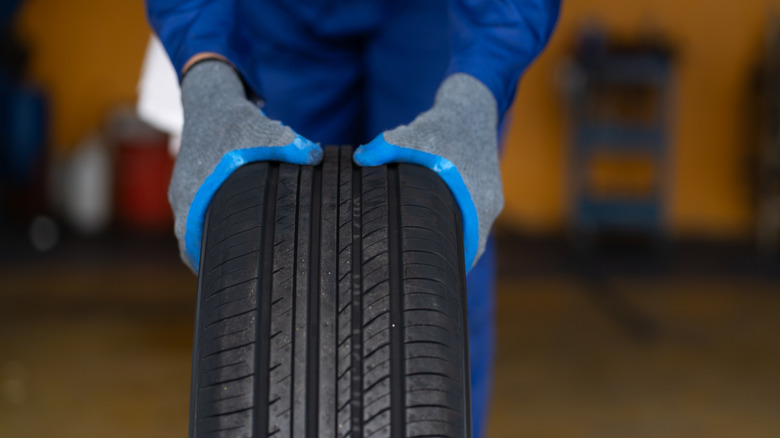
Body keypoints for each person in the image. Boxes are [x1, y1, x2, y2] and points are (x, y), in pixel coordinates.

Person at [145, 1, 559, 436]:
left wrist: (478, 93)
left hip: (437, 15)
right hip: (277, 13)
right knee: (266, 249)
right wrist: (208, 77)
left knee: (434, 256)